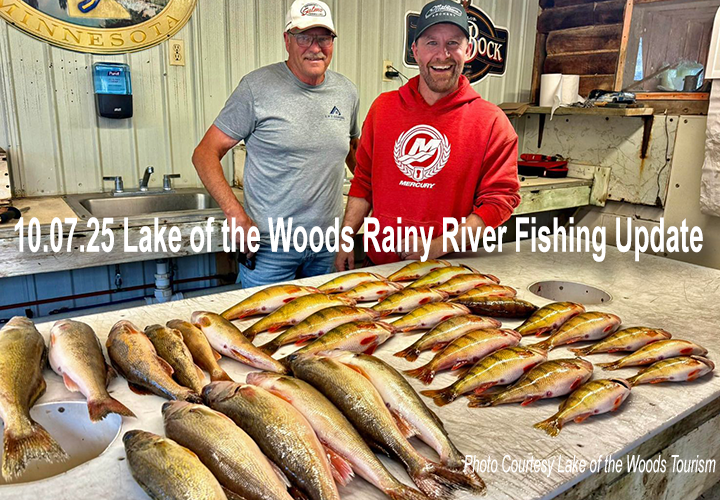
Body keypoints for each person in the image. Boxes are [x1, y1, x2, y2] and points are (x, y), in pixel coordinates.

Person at [335, 0, 520, 270]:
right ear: (415, 51)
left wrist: (436, 246)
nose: (442, 55)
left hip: (450, 273)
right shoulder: (383, 109)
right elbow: (364, 182)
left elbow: (500, 201)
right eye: (431, 43)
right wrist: (346, 238)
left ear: (468, 50)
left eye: (453, 43)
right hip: (379, 267)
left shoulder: (492, 121)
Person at [192, 0, 359, 288]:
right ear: (287, 40)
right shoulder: (256, 88)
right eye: (304, 37)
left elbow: (355, 155)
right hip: (270, 249)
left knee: (324, 329)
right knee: (263, 330)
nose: (315, 47)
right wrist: (235, 215)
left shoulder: (346, 91)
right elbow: (205, 153)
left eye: (323, 38)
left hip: (327, 247)